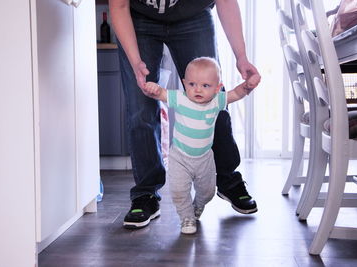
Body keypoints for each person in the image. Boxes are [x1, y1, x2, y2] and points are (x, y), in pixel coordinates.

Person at [109, 0, 261, 229]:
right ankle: (146, 194)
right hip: (139, 20)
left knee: (212, 99)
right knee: (140, 109)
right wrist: (136, 62)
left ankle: (228, 179)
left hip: (194, 15)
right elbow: (119, 7)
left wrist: (241, 56)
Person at [142, 57, 260, 234]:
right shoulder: (180, 98)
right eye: (192, 84)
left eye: (205, 86)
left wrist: (247, 87)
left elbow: (235, 94)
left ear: (217, 88)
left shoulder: (216, 101)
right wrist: (153, 89)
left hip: (204, 158)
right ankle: (186, 217)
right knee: (179, 191)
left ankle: (198, 205)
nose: (197, 89)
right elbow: (160, 93)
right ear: (184, 83)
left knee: (208, 192)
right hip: (180, 157)